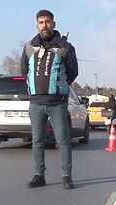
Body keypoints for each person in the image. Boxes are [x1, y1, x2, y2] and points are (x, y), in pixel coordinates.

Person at [21, 9, 79, 189]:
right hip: (36, 103)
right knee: (37, 141)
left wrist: (57, 87)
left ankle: (66, 176)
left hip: (57, 103)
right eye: (41, 22)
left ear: (54, 24)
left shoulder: (65, 47)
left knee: (62, 140)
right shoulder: (29, 47)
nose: (44, 25)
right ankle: (39, 175)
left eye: (47, 22)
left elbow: (73, 71)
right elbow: (25, 71)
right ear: (36, 25)